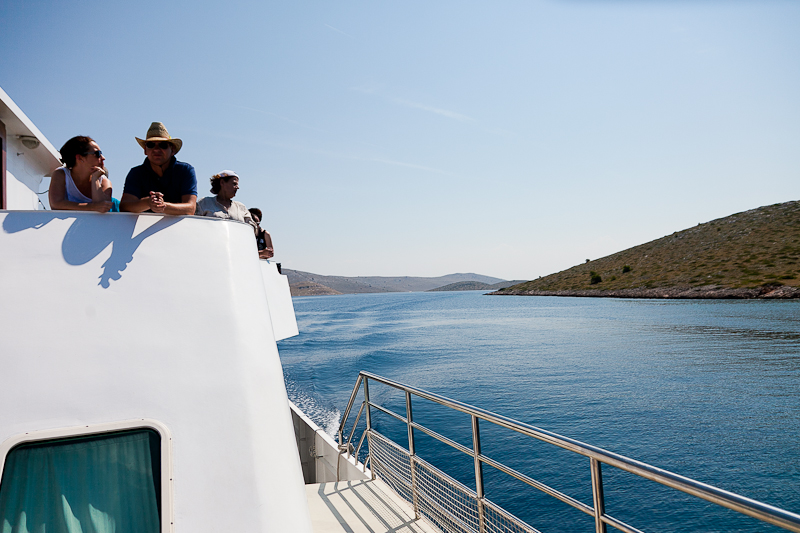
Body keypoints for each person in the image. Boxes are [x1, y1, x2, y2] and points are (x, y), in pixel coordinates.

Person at [120, 122, 197, 214]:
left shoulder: (185, 170)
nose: (156, 149)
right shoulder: (136, 173)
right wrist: (148, 203)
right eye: (151, 145)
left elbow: (190, 209)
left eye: (163, 145)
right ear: (145, 150)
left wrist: (161, 205)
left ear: (172, 150)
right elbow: (125, 206)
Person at [195, 171, 273, 258]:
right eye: (234, 183)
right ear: (222, 183)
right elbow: (194, 228)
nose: (238, 187)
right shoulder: (204, 203)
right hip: (209, 254)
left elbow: (252, 231)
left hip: (236, 256)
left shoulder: (241, 208)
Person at [49, 136, 117, 212]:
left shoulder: (104, 181)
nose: (103, 158)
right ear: (80, 158)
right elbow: (56, 204)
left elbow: (104, 208)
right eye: (97, 153)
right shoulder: (61, 174)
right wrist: (92, 207)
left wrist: (95, 179)